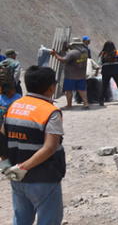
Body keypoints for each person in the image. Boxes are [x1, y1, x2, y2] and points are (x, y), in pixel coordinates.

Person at [0, 66, 66, 224]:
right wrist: (23, 168)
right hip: (44, 178)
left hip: (17, 176)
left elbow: (2, 138)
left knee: (21, 219)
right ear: (51, 87)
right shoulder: (51, 112)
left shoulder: (13, 106)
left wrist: (7, 165)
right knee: (48, 220)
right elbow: (49, 148)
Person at [51, 38, 90, 109]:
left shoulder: (72, 53)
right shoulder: (85, 51)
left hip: (71, 75)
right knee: (82, 90)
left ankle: (69, 105)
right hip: (81, 74)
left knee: (68, 90)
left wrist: (55, 55)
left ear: (74, 45)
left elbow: (64, 60)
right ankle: (86, 103)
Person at [98, 41, 118, 105]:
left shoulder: (102, 53)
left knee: (104, 86)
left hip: (106, 71)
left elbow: (99, 63)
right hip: (117, 70)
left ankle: (101, 101)